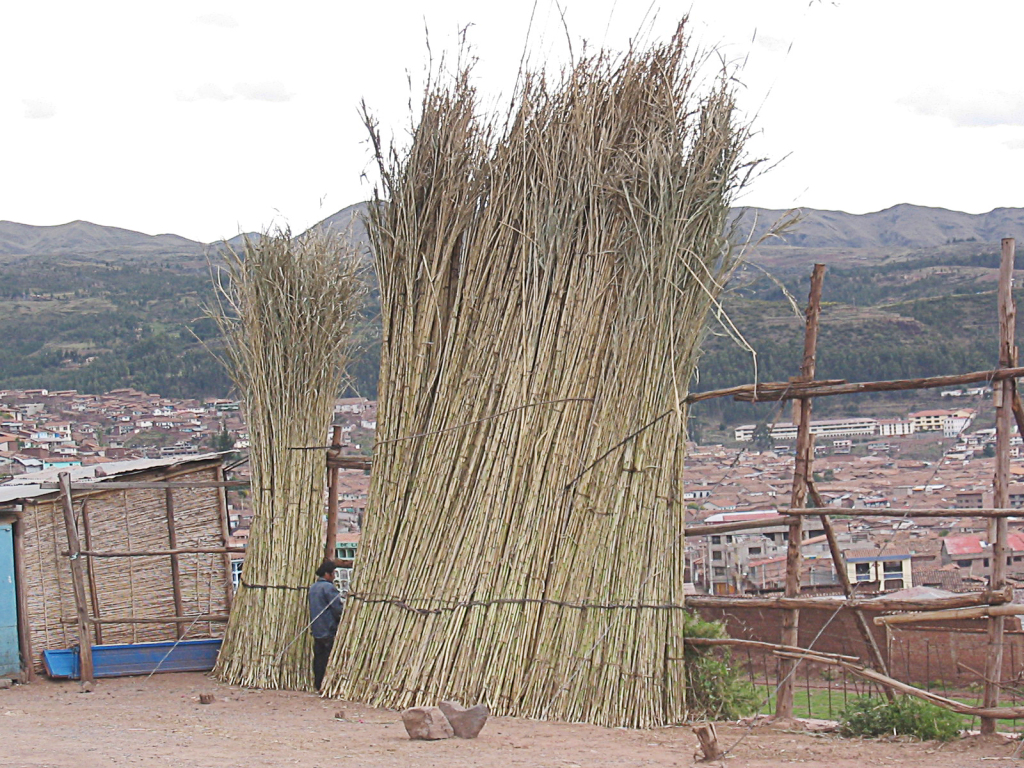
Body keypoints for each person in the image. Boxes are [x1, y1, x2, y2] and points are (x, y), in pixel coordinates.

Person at [308, 559, 344, 691]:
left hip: (317, 629)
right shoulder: (328, 588)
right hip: (328, 629)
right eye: (333, 573)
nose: (334, 576)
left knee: (318, 658)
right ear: (328, 574)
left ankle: (318, 684)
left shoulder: (313, 588)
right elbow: (337, 608)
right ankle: (326, 684)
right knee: (328, 658)